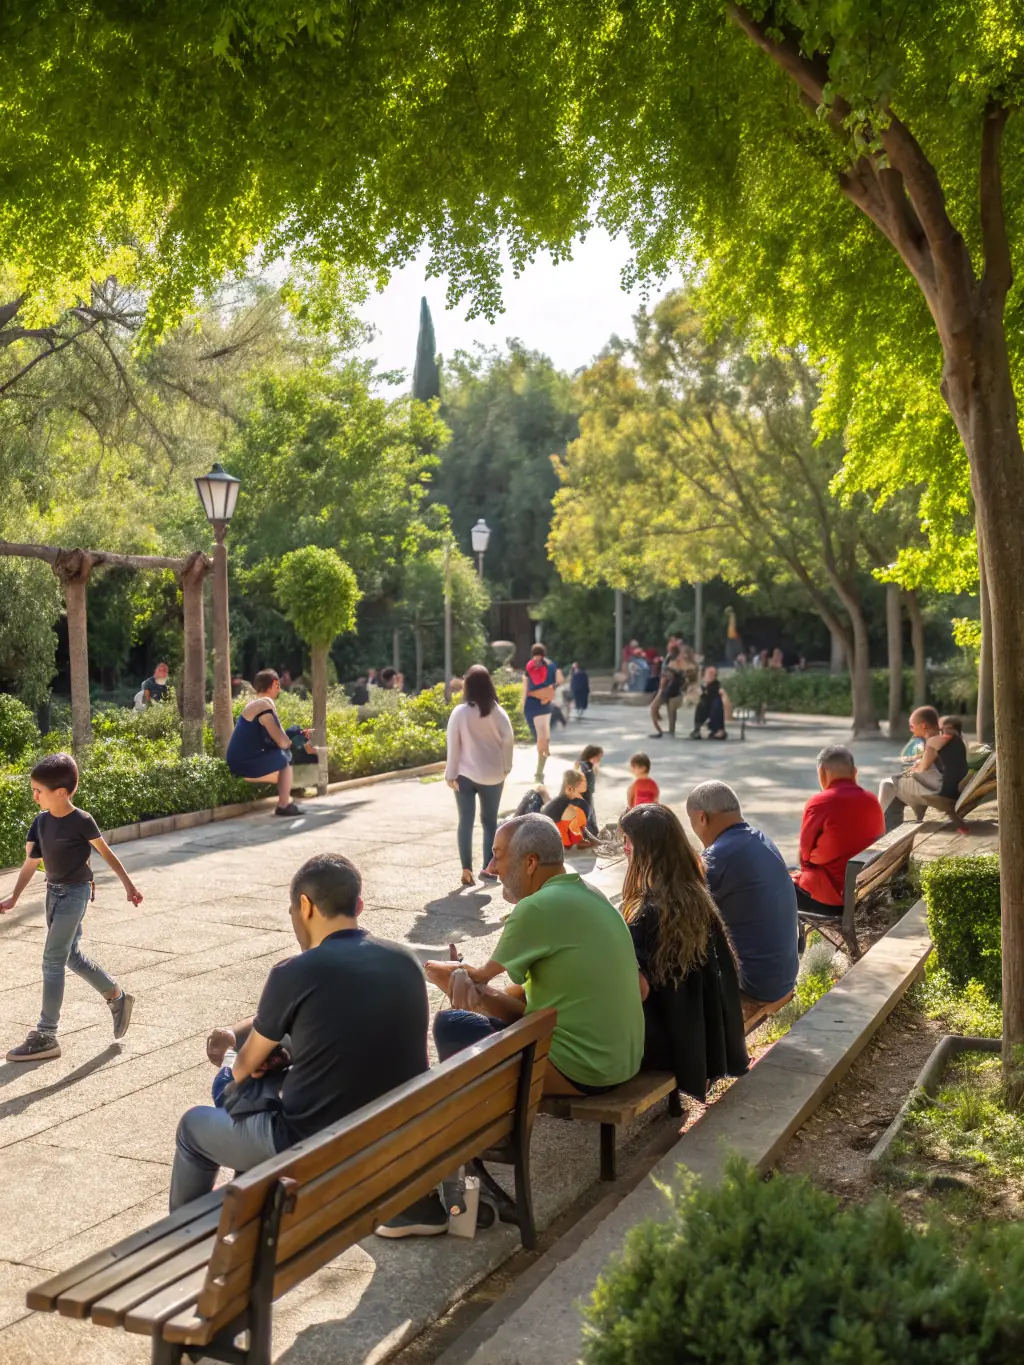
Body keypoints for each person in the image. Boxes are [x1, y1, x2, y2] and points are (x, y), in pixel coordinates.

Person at [171, 853, 431, 1214]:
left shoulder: (295, 971)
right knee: (260, 1086)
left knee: (201, 1118)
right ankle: (245, 1203)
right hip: (398, 1128)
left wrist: (236, 1059)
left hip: (314, 1144)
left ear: (305, 905)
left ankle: (181, 1239)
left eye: (291, 910)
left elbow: (242, 1069)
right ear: (358, 904)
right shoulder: (404, 960)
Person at [424, 813, 644, 1099]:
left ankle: (473, 1129)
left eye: (497, 856)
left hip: (582, 1072)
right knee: (514, 996)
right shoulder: (592, 893)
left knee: (451, 1025)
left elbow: (476, 981)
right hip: (622, 1063)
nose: (492, 869)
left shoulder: (536, 907)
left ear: (530, 862)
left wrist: (447, 972)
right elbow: (524, 1005)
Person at [0, 753, 140, 1061]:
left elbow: (107, 854)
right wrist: (14, 897)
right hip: (53, 894)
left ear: (61, 792)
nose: (34, 795)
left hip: (76, 894)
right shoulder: (40, 822)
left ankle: (46, 1034)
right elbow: (31, 863)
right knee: (71, 956)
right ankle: (117, 996)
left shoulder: (82, 820)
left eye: (38, 790)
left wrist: (129, 886)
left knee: (52, 959)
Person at [619, 804, 748, 1098]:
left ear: (645, 849)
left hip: (667, 1046)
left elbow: (637, 990)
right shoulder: (695, 895)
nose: (625, 849)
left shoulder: (649, 911)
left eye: (628, 841)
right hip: (699, 1040)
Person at [686, 780, 799, 1017]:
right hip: (784, 976)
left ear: (702, 818)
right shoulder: (761, 839)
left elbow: (683, 914)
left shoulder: (717, 857)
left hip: (754, 985)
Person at [791, 746, 885, 915]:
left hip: (832, 901)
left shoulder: (820, 803)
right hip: (865, 894)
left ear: (821, 772)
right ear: (854, 772)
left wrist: (817, 856)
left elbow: (804, 858)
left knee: (771, 882)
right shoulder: (872, 801)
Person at [445, 664, 515, 886]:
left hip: (464, 775)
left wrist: (451, 773)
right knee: (490, 822)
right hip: (494, 776)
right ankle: (489, 868)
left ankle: (466, 869)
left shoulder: (460, 712)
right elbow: (508, 740)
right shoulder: (498, 712)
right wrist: (506, 767)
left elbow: (453, 745)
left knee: (465, 821)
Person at [225, 668, 308, 816]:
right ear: (275, 684)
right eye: (278, 685)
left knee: (286, 770)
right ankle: (283, 806)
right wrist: (299, 740)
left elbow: (277, 738)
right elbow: (282, 742)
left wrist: (299, 736)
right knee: (285, 757)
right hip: (244, 763)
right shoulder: (264, 705)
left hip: (243, 760)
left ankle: (287, 797)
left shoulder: (259, 704)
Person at [878, 705, 969, 831]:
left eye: (912, 726)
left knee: (887, 785)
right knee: (897, 782)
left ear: (923, 726)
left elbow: (922, 769)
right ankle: (889, 827)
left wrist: (913, 768)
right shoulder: (949, 740)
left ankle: (882, 829)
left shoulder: (933, 741)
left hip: (942, 791)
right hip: (953, 787)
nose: (911, 729)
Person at [521, 642, 562, 782]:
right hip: (545, 704)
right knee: (544, 736)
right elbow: (560, 680)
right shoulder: (551, 665)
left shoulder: (529, 666)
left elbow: (525, 689)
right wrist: (551, 690)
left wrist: (521, 705)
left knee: (539, 737)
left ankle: (539, 771)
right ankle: (539, 771)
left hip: (531, 704)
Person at [542, 770, 596, 849]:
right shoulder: (569, 803)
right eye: (583, 781)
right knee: (577, 812)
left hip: (547, 833)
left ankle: (575, 840)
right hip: (551, 837)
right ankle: (575, 841)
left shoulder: (565, 797)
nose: (585, 783)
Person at [690, 665, 727, 740]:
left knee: (716, 706)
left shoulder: (716, 686)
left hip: (714, 707)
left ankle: (718, 730)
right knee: (700, 706)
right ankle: (697, 729)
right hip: (705, 707)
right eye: (708, 674)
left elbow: (714, 694)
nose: (709, 676)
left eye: (712, 674)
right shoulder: (704, 685)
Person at [576, 744, 604, 834]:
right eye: (599, 757)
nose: (600, 759)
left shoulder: (584, 765)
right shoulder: (585, 767)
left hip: (585, 795)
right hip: (584, 795)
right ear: (593, 755)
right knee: (587, 818)